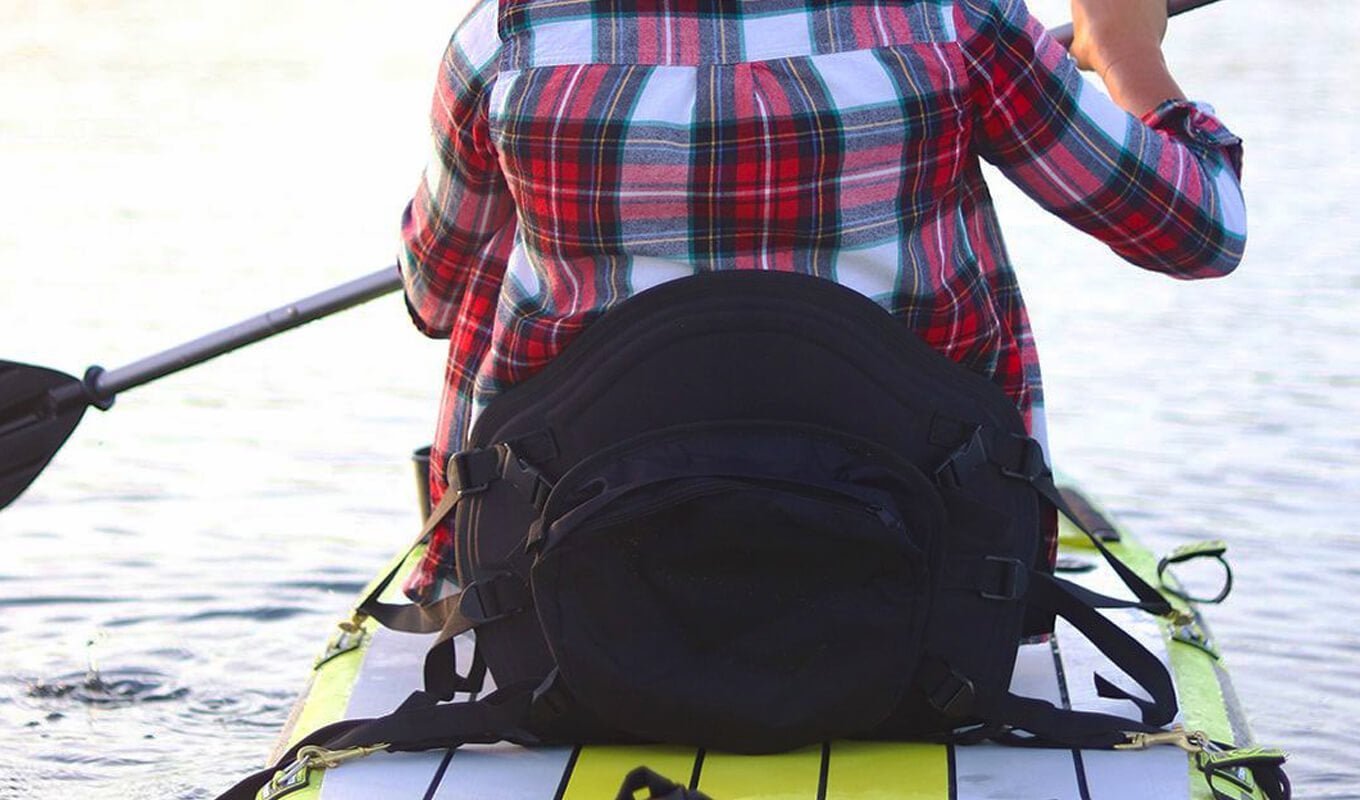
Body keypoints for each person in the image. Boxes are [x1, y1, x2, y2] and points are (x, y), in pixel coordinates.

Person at [396, 0, 1245, 603]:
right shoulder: (959, 24)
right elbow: (1202, 229)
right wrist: (1126, 51)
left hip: (562, 597)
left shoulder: (506, 37)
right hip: (928, 593)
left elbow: (431, 295)